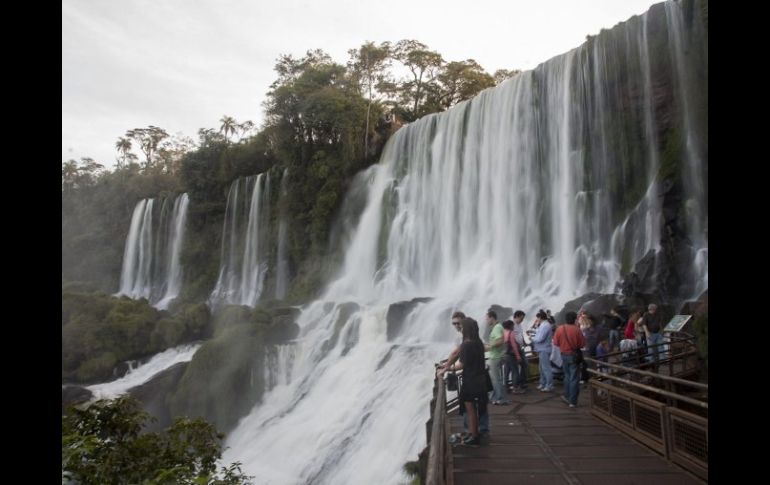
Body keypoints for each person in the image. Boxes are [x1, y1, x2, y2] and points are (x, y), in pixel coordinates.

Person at [439, 317, 487, 446]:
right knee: (474, 409)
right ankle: (473, 434)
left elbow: (462, 364)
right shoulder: (478, 342)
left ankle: (473, 436)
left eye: (462, 326)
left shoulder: (467, 344)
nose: (460, 328)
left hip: (470, 380)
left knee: (470, 409)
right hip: (480, 379)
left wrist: (448, 368)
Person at [553, 311, 586, 408]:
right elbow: (582, 344)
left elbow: (555, 343)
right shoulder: (577, 330)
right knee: (574, 378)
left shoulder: (559, 329)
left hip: (563, 355)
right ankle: (573, 401)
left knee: (567, 376)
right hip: (574, 356)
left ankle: (567, 396)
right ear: (575, 319)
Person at [484, 310, 509, 405]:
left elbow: (500, 341)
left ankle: (501, 398)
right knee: (496, 379)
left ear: (491, 317)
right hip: (495, 356)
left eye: (487, 318)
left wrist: (488, 347)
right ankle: (497, 397)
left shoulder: (498, 327)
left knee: (496, 379)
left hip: (496, 357)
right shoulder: (496, 327)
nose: (486, 321)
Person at [531, 310, 554, 392]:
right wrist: (534, 330)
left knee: (546, 368)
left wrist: (532, 339)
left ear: (540, 317)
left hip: (544, 349)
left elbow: (540, 338)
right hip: (542, 349)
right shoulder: (543, 325)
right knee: (541, 368)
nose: (537, 320)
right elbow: (539, 333)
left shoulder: (545, 326)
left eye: (537, 318)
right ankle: (543, 383)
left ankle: (549, 385)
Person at [639, 303, 663, 368]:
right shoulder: (646, 315)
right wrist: (646, 332)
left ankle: (662, 360)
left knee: (660, 347)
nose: (654, 311)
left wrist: (661, 331)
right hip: (650, 333)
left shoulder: (658, 314)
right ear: (650, 309)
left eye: (655, 309)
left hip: (658, 333)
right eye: (653, 309)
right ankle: (651, 361)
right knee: (650, 348)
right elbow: (644, 324)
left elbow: (659, 323)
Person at [511, 310, 529, 390]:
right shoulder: (512, 325)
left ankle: (522, 382)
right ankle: (516, 385)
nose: (522, 320)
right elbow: (512, 338)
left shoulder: (519, 325)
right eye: (521, 319)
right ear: (517, 317)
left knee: (525, 365)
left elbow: (521, 334)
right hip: (515, 350)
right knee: (515, 368)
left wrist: (524, 342)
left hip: (521, 348)